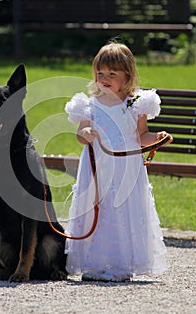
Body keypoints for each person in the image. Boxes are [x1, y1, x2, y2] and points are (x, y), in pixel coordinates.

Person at [64, 42, 169, 282]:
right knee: (97, 210)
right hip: (97, 168)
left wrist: (157, 138)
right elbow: (81, 134)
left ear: (127, 75)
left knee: (121, 212)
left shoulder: (136, 105)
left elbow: (141, 136)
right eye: (100, 73)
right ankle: (94, 263)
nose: (105, 79)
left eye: (112, 74)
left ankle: (121, 264)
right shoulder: (90, 104)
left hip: (125, 169)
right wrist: (87, 132)